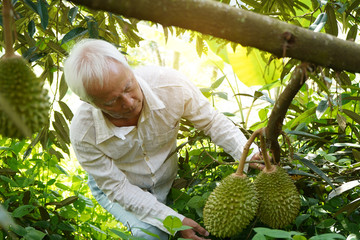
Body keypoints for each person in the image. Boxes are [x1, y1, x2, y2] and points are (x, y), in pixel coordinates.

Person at [63, 38, 261, 240]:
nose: (129, 103)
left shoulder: (170, 86)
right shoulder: (84, 133)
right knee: (150, 236)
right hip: (117, 184)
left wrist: (250, 153)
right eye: (112, 101)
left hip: (166, 176)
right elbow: (118, 188)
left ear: (126, 64)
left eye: (128, 87)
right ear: (88, 101)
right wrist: (171, 221)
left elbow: (211, 122)